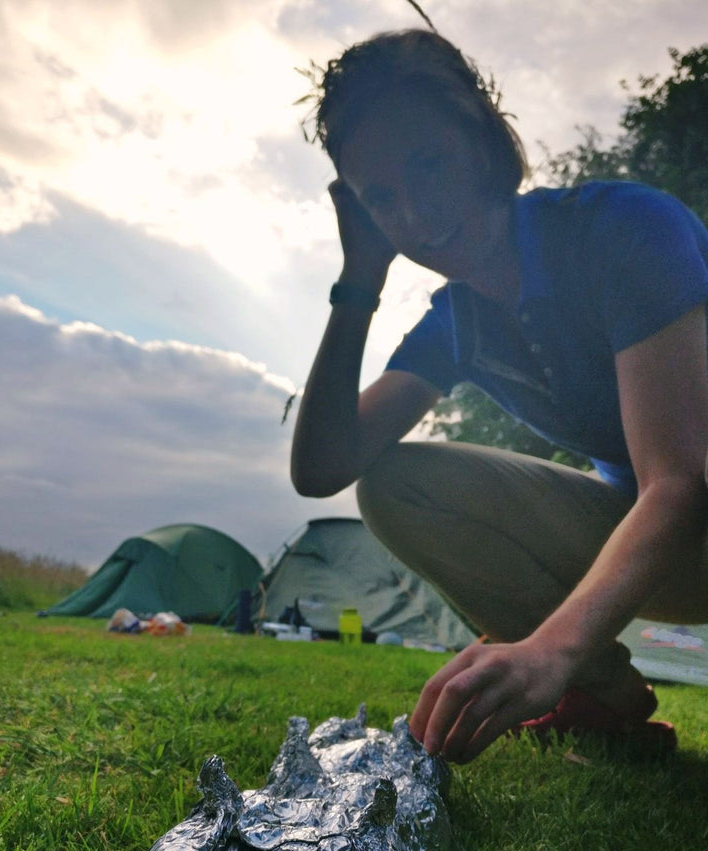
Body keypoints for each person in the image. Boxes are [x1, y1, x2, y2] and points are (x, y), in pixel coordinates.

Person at [290, 29, 708, 763]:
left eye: (428, 165)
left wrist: (548, 649)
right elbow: (322, 467)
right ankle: (603, 702)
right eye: (381, 196)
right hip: (661, 550)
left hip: (686, 511)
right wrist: (361, 276)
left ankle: (566, 669)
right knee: (393, 484)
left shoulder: (621, 229)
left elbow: (680, 482)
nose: (416, 216)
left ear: (483, 141)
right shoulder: (455, 326)